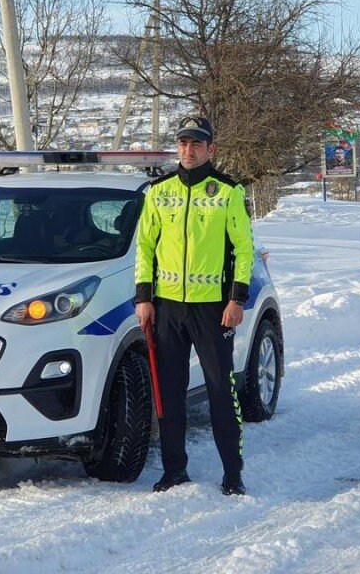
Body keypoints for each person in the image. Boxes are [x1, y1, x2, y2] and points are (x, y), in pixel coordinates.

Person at [134, 115, 254, 496]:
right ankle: (174, 471)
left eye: (197, 144)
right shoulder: (158, 191)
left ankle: (232, 474)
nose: (189, 150)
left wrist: (236, 299)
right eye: (184, 143)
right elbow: (145, 248)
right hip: (168, 307)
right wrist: (144, 298)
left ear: (210, 149)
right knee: (170, 393)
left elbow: (244, 249)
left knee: (221, 389)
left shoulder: (228, 192)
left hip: (212, 308)